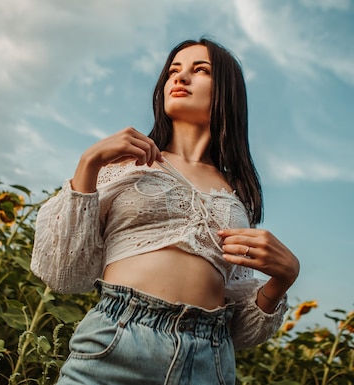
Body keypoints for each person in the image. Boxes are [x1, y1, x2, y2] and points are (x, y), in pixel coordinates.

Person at [31, 38, 300, 385]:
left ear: (228, 92)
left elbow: (241, 333)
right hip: (116, 343)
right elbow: (62, 272)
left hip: (209, 359)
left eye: (199, 70)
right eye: (174, 70)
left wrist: (283, 279)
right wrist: (88, 164)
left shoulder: (238, 197)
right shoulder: (128, 164)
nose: (181, 78)